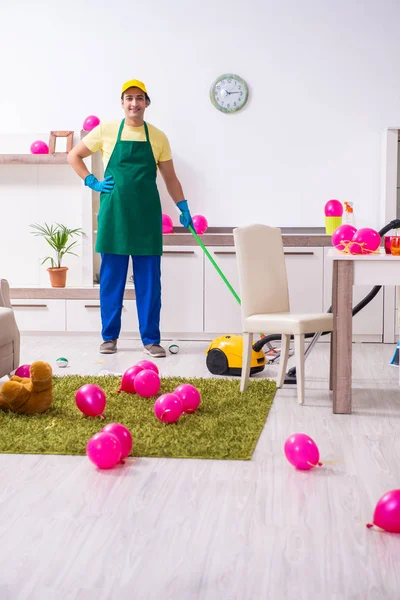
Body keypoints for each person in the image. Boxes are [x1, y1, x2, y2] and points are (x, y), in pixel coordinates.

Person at [68, 79, 193, 357]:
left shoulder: (158, 136)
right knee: (112, 280)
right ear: (122, 103)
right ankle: (109, 337)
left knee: (150, 283)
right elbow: (74, 155)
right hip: (115, 216)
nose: (134, 103)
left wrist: (183, 206)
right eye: (129, 98)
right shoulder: (107, 130)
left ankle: (151, 339)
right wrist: (92, 181)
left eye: (139, 98)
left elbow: (170, 177)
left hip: (147, 218)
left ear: (146, 102)